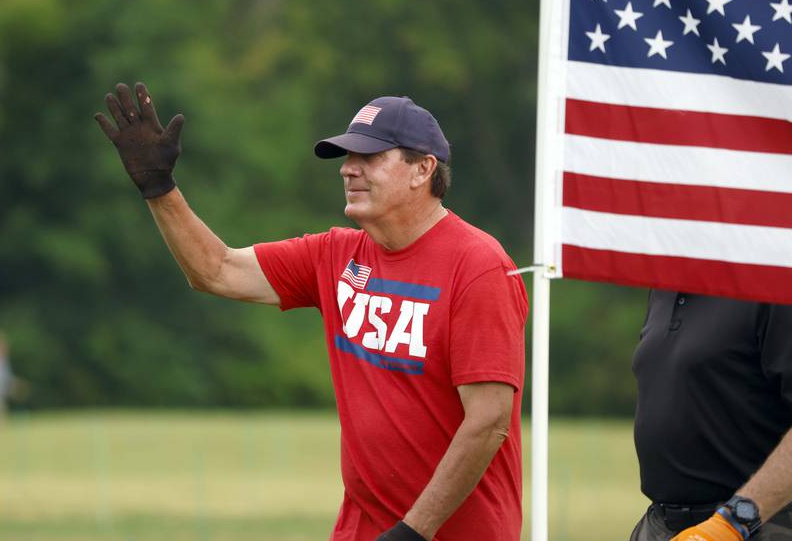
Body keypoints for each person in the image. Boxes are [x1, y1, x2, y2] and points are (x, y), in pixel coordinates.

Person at [94, 83, 528, 541]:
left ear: (423, 169)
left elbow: (487, 421)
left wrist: (411, 533)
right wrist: (159, 188)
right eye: (346, 158)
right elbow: (216, 270)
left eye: (370, 158)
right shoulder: (335, 255)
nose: (348, 170)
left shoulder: (479, 267)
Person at [630, 290, 792, 541]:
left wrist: (734, 522)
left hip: (754, 526)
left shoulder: (771, 281)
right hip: (661, 525)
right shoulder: (662, 288)